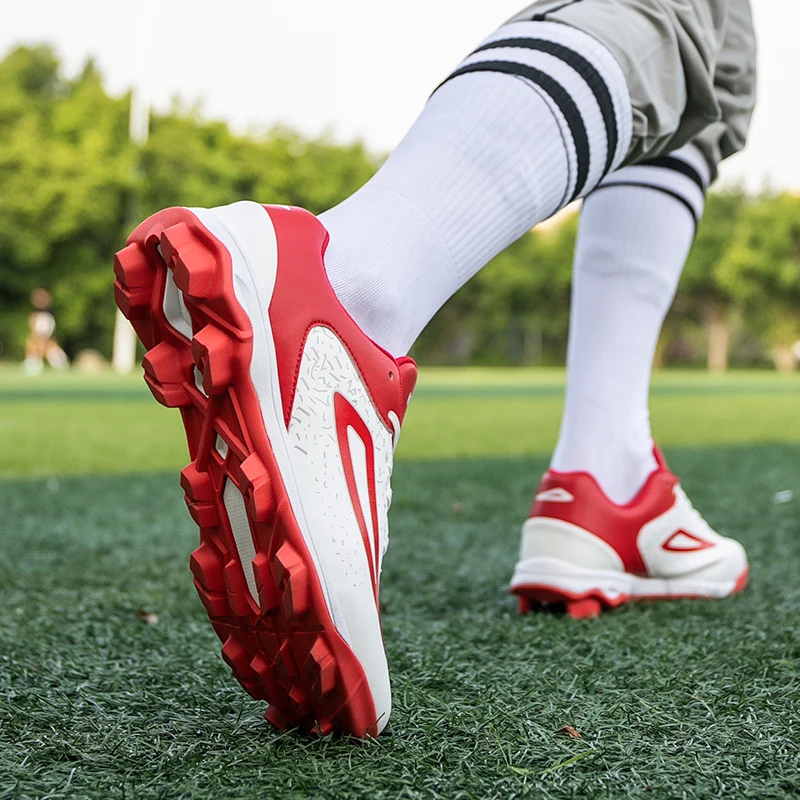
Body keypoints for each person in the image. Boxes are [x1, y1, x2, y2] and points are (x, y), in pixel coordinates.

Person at [113, 0, 754, 737]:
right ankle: (352, 290)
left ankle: (608, 477)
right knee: (666, 16)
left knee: (716, 83)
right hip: (337, 294)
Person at [24, 288, 68, 375]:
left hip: (44, 321)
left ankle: (35, 364)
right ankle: (35, 363)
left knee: (40, 344)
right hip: (43, 320)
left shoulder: (45, 315)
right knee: (35, 343)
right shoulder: (37, 314)